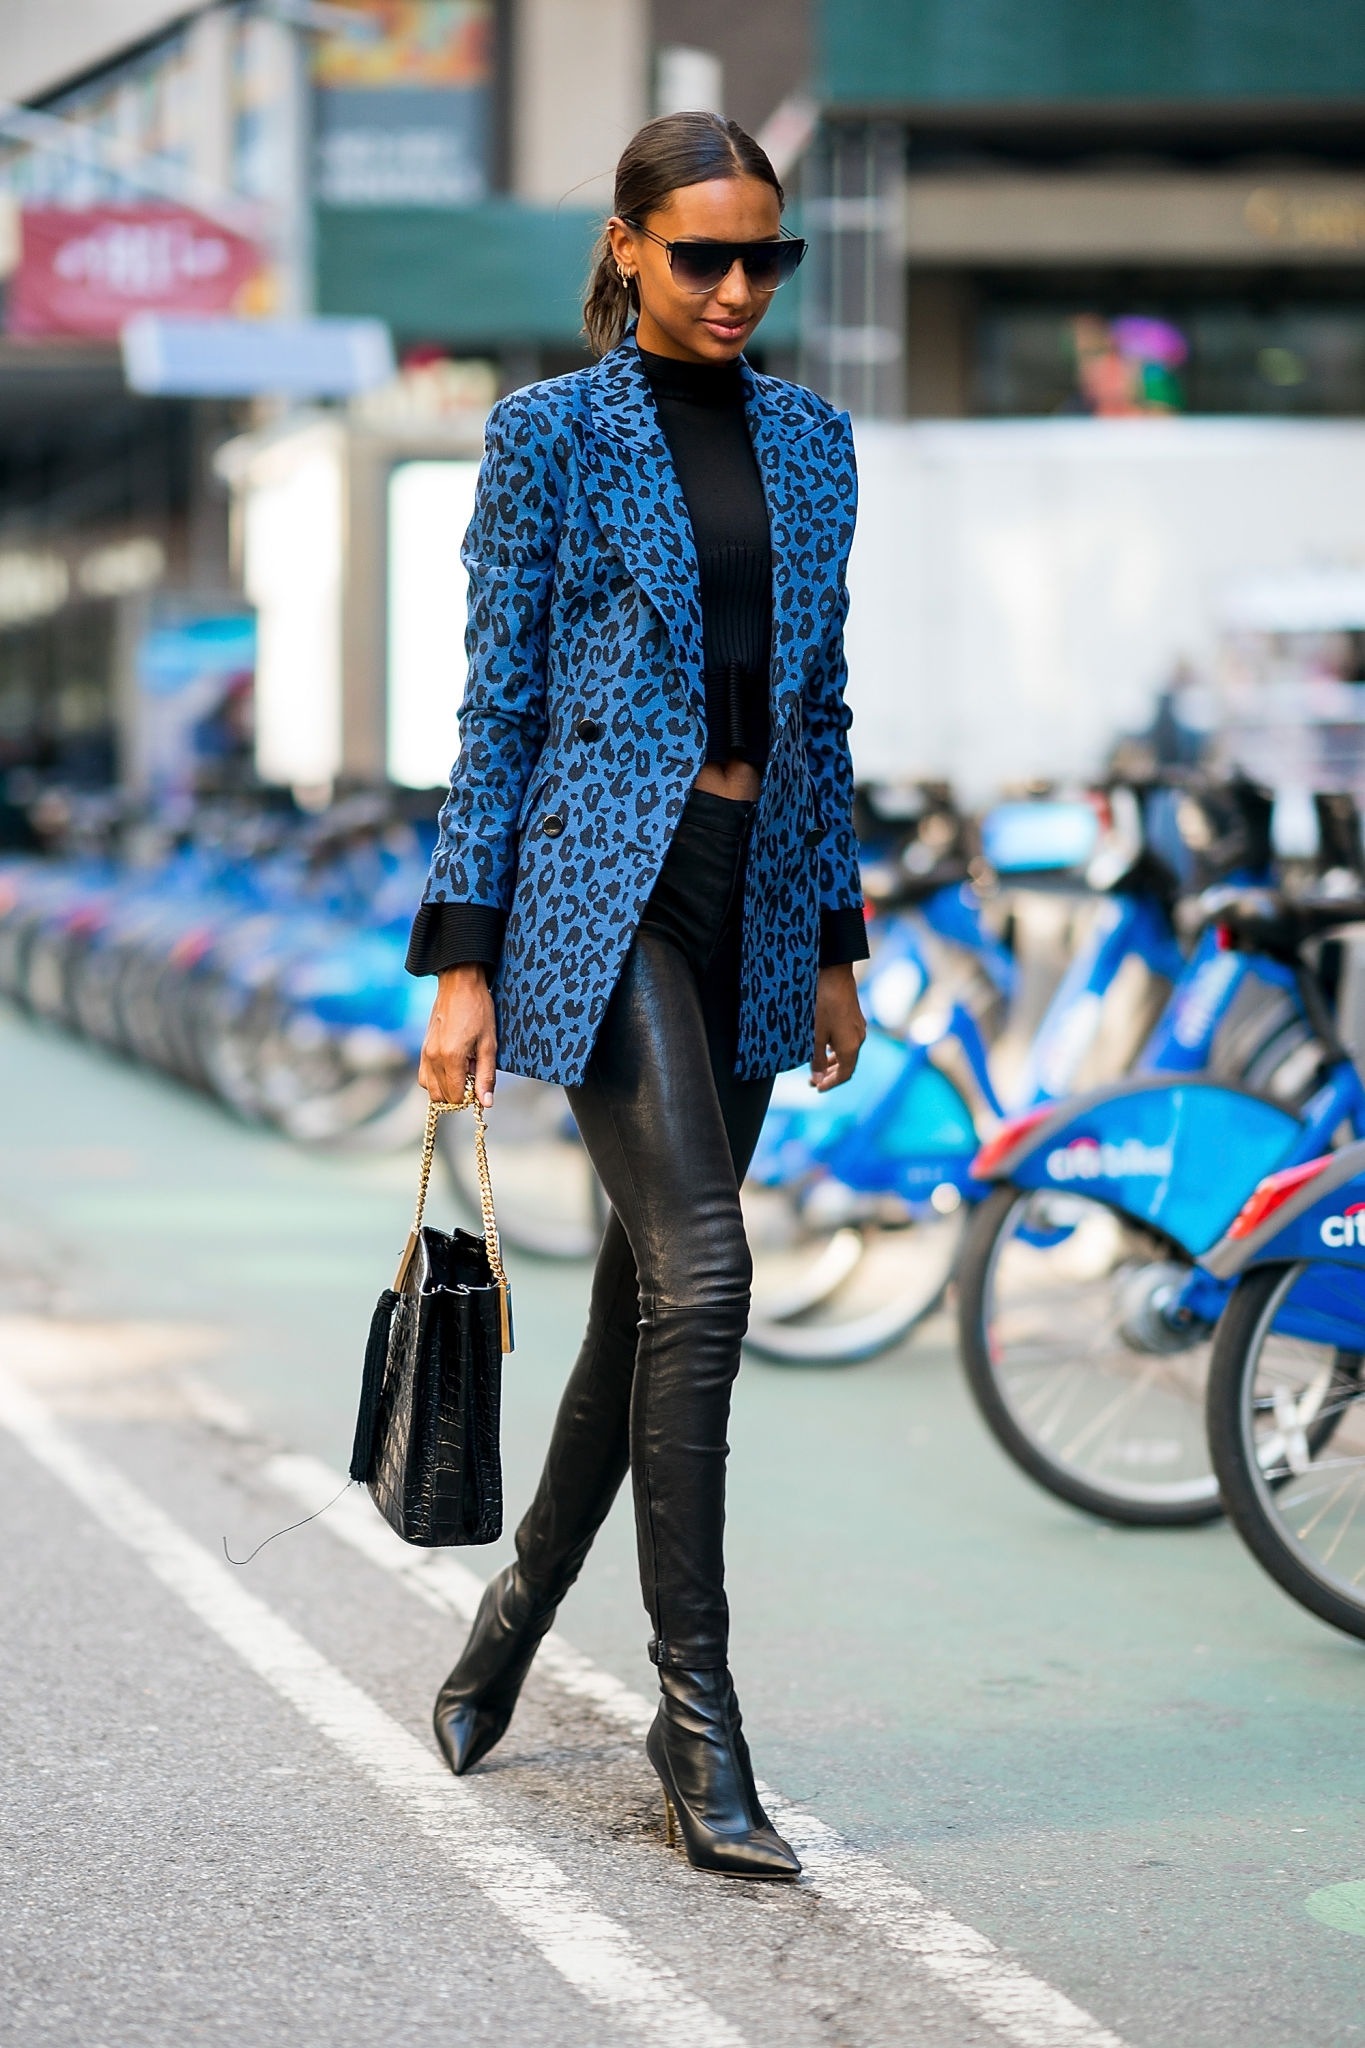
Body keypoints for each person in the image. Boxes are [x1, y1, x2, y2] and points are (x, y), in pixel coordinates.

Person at [407, 110, 867, 1880]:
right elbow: (495, 709)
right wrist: (460, 957)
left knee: (643, 1296)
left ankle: (516, 1610)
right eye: (703, 257)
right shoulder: (547, 438)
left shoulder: (818, 445)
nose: (740, 286)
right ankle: (699, 1724)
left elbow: (818, 712)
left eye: (768, 257)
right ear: (624, 251)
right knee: (715, 1267)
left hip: (754, 901)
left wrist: (829, 932)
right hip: (603, 899)